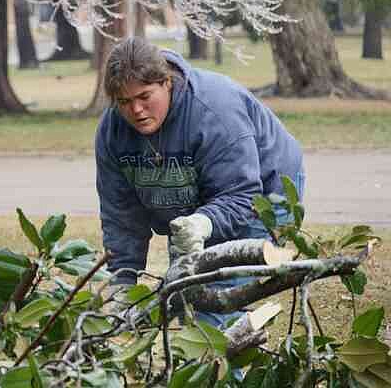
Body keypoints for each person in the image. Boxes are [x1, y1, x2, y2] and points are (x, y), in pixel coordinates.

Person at [95, 36, 306, 329]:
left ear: (166, 82)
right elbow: (121, 215)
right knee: (182, 292)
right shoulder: (112, 131)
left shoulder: (213, 112)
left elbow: (241, 195)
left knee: (210, 304)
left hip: (264, 192)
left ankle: (226, 367)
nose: (136, 111)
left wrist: (203, 223)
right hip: (192, 196)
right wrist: (123, 281)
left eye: (145, 97)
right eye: (124, 102)